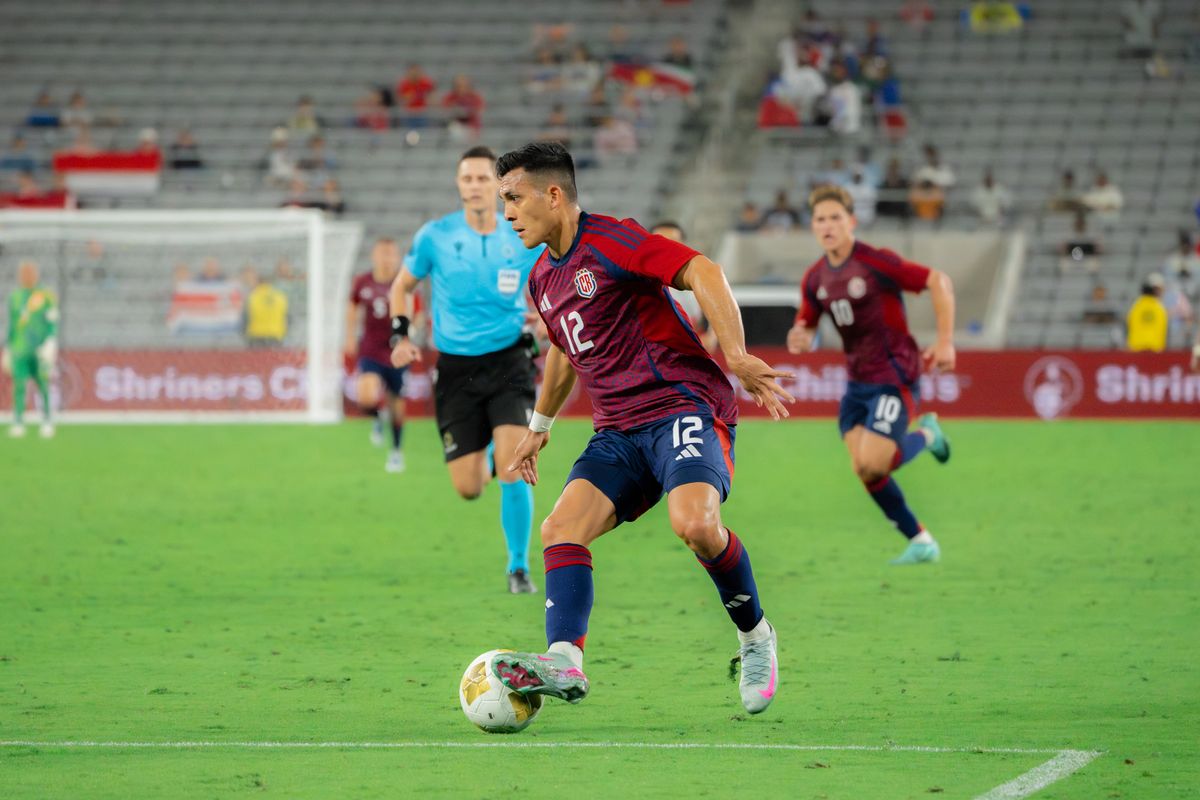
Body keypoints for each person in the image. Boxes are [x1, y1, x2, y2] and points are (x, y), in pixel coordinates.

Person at [489, 142, 793, 715]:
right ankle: (564, 661)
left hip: (682, 406)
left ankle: (756, 638)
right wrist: (540, 423)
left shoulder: (611, 241)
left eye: (514, 197)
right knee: (559, 530)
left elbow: (702, 268)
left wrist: (737, 353)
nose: (506, 211)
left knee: (696, 525)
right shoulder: (541, 279)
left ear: (554, 195)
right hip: (619, 431)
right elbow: (561, 346)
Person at [388, 146, 544, 593]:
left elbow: (553, 276)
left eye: (482, 179)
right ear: (458, 185)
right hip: (456, 369)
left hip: (511, 359)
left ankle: (518, 567)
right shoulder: (435, 236)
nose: (474, 186)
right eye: (467, 179)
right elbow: (402, 287)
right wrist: (400, 336)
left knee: (515, 467)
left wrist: (546, 320)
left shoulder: (519, 234)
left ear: (498, 187)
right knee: (469, 487)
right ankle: (494, 451)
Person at [786, 185, 956, 565]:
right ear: (813, 226)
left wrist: (945, 341)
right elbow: (806, 321)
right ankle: (921, 540)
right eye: (820, 219)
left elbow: (938, 281)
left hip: (895, 377)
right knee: (865, 470)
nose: (827, 225)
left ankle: (927, 434)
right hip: (857, 383)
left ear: (852, 222)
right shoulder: (815, 278)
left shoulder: (875, 262)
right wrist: (800, 335)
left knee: (875, 463)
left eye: (835, 218)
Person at [347, 238, 410, 472]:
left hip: (397, 351)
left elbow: (416, 310)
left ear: (396, 257)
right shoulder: (362, 281)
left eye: (391, 254)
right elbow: (352, 306)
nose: (387, 258)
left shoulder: (403, 281)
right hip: (371, 350)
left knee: (397, 403)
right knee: (364, 397)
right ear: (374, 256)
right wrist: (350, 337)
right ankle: (377, 414)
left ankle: (396, 451)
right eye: (383, 254)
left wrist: (408, 334)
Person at [3, 261, 58, 438]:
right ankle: (18, 421)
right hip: (20, 348)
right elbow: (12, 324)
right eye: (23, 273)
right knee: (19, 385)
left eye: (29, 273)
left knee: (42, 384)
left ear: (36, 275)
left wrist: (50, 342)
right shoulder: (15, 296)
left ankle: (47, 420)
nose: (26, 276)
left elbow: (52, 320)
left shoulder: (46, 296)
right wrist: (7, 348)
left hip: (39, 348)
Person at [244, 271, 288, 348]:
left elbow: (245, 318)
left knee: (256, 360)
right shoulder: (280, 296)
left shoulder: (252, 296)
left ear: (259, 282)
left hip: (256, 336)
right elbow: (287, 317)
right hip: (275, 336)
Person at [1126, 273, 1168, 352]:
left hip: (1136, 348)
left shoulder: (1136, 306)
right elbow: (1164, 327)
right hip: (1155, 348)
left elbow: (1129, 323)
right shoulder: (1159, 307)